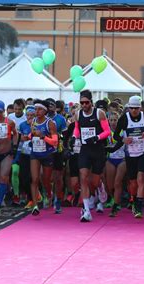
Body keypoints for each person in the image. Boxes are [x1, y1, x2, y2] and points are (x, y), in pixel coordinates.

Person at [71, 90, 111, 222]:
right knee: (83, 178)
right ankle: (87, 211)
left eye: (86, 102)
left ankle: (100, 187)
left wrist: (96, 137)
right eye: (81, 103)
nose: (84, 105)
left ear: (91, 102)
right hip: (85, 149)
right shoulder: (78, 114)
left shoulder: (99, 113)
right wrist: (73, 137)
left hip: (98, 149)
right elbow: (77, 128)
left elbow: (107, 131)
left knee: (94, 181)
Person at [113, 96, 144, 218]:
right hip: (130, 154)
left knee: (141, 178)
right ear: (128, 108)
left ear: (140, 108)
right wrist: (123, 139)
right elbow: (115, 135)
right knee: (133, 182)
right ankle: (134, 199)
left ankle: (139, 207)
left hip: (143, 152)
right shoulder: (124, 119)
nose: (134, 111)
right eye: (132, 108)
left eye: (136, 108)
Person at [29, 100, 58, 216]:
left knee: (46, 180)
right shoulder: (33, 122)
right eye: (35, 109)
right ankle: (35, 206)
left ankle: (49, 194)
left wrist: (43, 137)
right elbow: (33, 134)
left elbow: (55, 142)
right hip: (35, 153)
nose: (37, 111)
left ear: (45, 110)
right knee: (34, 179)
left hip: (47, 154)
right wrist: (28, 137)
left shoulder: (50, 123)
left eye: (39, 109)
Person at [0, 100, 18, 215]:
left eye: (0, 112)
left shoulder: (10, 122)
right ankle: (4, 191)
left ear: (4, 111)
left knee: (3, 177)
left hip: (7, 153)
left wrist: (14, 146)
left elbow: (15, 134)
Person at [46, 98, 68, 211]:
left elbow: (66, 135)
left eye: (52, 105)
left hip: (58, 151)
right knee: (45, 176)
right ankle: (48, 195)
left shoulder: (61, 119)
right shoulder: (41, 119)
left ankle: (58, 200)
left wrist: (61, 141)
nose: (50, 107)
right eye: (48, 105)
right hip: (44, 151)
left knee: (58, 177)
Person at [105, 111, 126, 217]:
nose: (113, 122)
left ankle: (116, 205)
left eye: (115, 120)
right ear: (108, 121)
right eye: (111, 120)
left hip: (122, 159)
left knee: (118, 182)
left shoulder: (123, 131)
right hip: (111, 159)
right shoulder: (107, 132)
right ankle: (113, 198)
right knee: (110, 184)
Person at [8, 99, 27, 205]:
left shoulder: (26, 118)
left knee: (24, 174)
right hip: (14, 149)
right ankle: (16, 195)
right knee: (14, 171)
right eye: (15, 109)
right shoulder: (10, 118)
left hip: (24, 150)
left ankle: (24, 194)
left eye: (19, 109)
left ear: (23, 109)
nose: (17, 111)